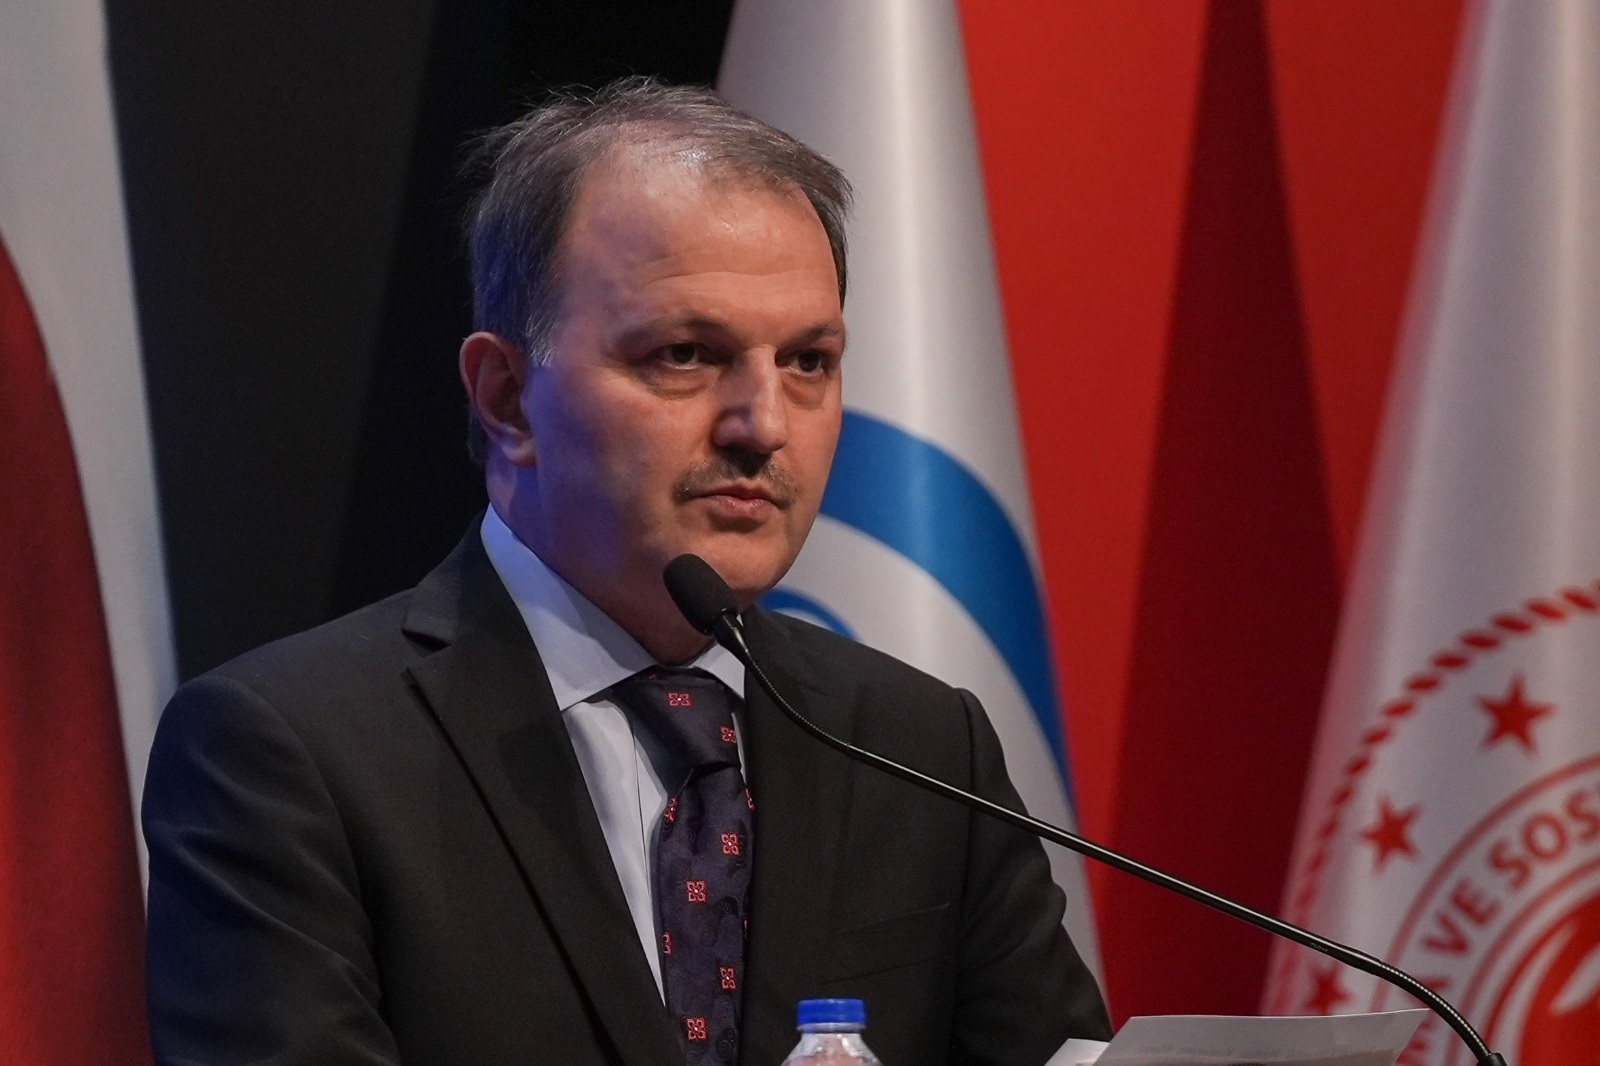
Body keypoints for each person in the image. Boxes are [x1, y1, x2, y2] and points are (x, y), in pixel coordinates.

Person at [142, 78, 1110, 1066]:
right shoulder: (289, 756)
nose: (763, 425)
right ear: (506, 398)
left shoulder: (921, 747)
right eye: (686, 353)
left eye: (808, 361)